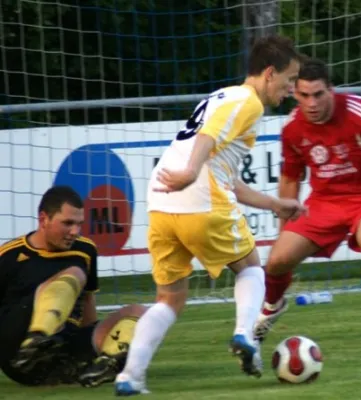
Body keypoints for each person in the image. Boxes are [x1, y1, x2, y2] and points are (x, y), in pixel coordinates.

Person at [114, 35, 305, 396]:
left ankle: (130, 377)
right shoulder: (248, 102)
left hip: (161, 201)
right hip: (194, 193)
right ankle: (244, 334)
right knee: (250, 266)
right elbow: (207, 138)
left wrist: (276, 204)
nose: (292, 89)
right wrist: (189, 173)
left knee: (169, 299)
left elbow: (227, 176)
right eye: (290, 79)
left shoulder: (221, 96)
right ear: (268, 73)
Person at [254, 58, 361, 345]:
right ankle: (271, 308)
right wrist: (284, 229)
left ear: (331, 90)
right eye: (304, 95)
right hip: (324, 202)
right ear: (294, 94)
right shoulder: (292, 128)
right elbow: (290, 179)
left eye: (318, 94)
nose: (311, 103)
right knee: (277, 260)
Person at [0, 185, 146, 388]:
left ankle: (105, 364)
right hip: (16, 353)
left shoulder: (85, 250)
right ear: (44, 219)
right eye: (67, 223)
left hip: (63, 350)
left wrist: (93, 340)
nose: (75, 231)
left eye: (79, 224)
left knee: (142, 313)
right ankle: (37, 341)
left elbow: (87, 300)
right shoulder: (9, 256)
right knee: (75, 273)